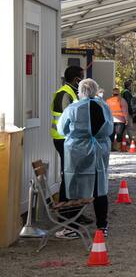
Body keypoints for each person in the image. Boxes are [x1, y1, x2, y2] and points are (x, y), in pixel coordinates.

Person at [57, 78, 113, 238]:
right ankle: (102, 226)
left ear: (80, 91)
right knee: (99, 188)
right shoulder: (104, 106)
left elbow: (62, 129)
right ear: (96, 90)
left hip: (77, 152)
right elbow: (109, 128)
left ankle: (72, 228)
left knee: (73, 188)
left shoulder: (73, 108)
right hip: (99, 151)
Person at [51, 65, 88, 236]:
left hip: (69, 140)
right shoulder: (65, 94)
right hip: (64, 140)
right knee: (69, 176)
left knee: (74, 175)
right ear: (76, 80)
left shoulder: (71, 93)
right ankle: (67, 217)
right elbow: (68, 120)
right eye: (82, 77)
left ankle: (75, 213)